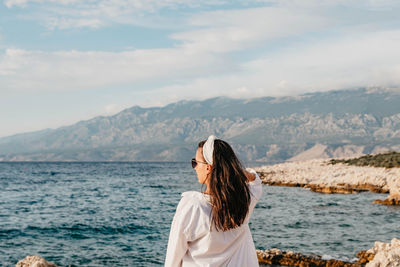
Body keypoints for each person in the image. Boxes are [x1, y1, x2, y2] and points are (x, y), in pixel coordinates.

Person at [165, 135, 263, 267]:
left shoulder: (193, 205)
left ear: (208, 167)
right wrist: (232, 171)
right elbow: (255, 181)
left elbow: (173, 256)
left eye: (195, 162)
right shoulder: (244, 200)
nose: (194, 167)